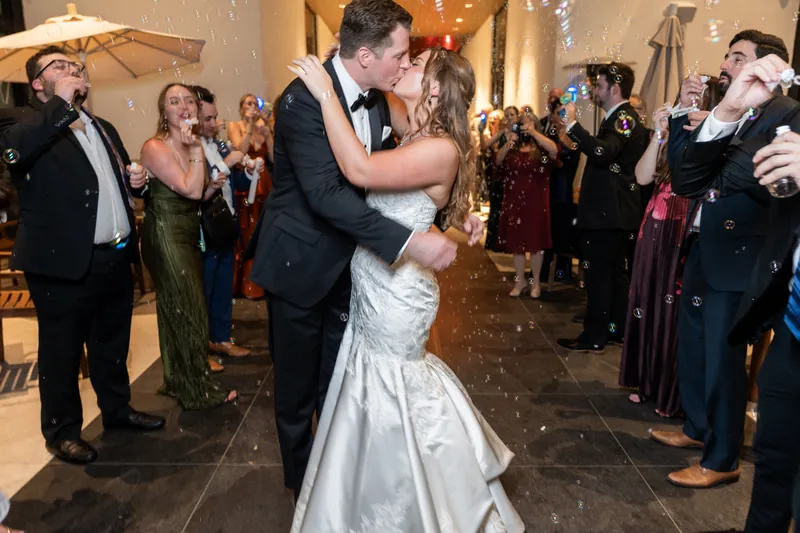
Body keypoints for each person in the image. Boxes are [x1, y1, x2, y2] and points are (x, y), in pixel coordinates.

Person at [244, 0, 483, 500]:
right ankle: (303, 492)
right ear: (369, 54)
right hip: (300, 264)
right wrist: (410, 240)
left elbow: (412, 168)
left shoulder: (378, 97)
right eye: (402, 54)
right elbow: (330, 193)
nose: (405, 62)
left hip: (355, 272)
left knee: (341, 386)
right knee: (295, 389)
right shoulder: (303, 101)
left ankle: (339, 483)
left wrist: (454, 210)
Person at [288, 40, 524, 530]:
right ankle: (365, 495)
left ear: (435, 90)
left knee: (395, 388)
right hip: (374, 284)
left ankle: (421, 499)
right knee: (368, 390)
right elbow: (375, 93)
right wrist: (354, 61)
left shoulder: (438, 148)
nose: (406, 65)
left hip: (399, 295)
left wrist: (325, 92)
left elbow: (361, 169)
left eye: (416, 64)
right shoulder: (414, 129)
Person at [0, 46, 165, 465]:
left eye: (75, 65)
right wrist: (60, 105)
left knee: (112, 342)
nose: (73, 69)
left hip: (114, 255)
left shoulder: (102, 125)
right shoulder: (21, 121)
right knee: (62, 350)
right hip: (60, 262)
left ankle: (117, 409)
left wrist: (137, 183)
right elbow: (13, 154)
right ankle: (62, 431)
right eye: (59, 66)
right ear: (38, 83)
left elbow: (115, 184)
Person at [651, 30, 799, 490]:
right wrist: (685, 117)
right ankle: (697, 428)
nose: (727, 65)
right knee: (693, 348)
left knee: (724, 359)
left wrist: (715, 128)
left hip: (743, 256)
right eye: (728, 56)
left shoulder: (786, 112)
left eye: (739, 58)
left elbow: (737, 174)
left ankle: (722, 457)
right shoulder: (721, 109)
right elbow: (683, 174)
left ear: (770, 68)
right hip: (704, 245)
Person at [618, 81, 718, 418]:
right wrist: (660, 134)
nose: (688, 101)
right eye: (684, 96)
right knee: (646, 300)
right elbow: (643, 177)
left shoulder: (711, 136)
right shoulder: (670, 133)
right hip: (655, 225)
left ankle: (672, 392)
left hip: (685, 225)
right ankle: (646, 381)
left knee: (675, 310)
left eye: (696, 96)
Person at [139, 83, 239, 409]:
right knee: (191, 307)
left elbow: (199, 195)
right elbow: (190, 190)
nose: (183, 104)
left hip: (189, 231)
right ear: (164, 112)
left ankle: (178, 379)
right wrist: (195, 147)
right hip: (165, 234)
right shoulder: (156, 147)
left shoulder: (196, 144)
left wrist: (214, 185)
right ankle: (197, 389)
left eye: (188, 100)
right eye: (173, 100)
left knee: (177, 308)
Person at [556, 63, 649, 353]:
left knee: (599, 277)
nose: (595, 90)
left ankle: (594, 336)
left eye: (599, 85)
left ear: (615, 88)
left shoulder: (624, 117)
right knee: (613, 276)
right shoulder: (619, 117)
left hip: (609, 214)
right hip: (614, 214)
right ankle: (614, 330)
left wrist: (572, 125)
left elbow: (602, 151)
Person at [191, 85, 254, 367]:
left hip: (225, 224)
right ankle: (198, 349)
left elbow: (234, 183)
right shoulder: (189, 149)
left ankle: (220, 338)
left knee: (223, 288)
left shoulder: (217, 145)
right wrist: (227, 164)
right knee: (202, 291)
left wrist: (250, 173)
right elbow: (198, 187)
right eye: (207, 119)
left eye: (215, 117)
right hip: (203, 227)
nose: (214, 124)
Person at [496, 108, 558, 298]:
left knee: (536, 243)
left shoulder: (541, 147)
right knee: (517, 242)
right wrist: (508, 142)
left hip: (537, 200)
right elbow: (498, 161)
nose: (524, 126)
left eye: (528, 122)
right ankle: (519, 280)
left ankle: (536, 281)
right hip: (515, 199)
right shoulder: (513, 147)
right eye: (522, 122)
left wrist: (534, 133)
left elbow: (555, 150)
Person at [228, 93, 273, 299]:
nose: (252, 107)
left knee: (264, 231)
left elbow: (273, 157)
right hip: (246, 181)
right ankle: (245, 285)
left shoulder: (263, 126)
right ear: (240, 108)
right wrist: (248, 126)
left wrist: (268, 133)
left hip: (264, 182)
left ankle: (263, 283)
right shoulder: (235, 125)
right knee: (247, 231)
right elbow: (241, 152)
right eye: (248, 103)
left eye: (255, 103)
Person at [541, 89, 580, 283]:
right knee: (546, 231)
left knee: (560, 232)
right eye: (559, 114)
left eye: (565, 114)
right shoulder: (550, 135)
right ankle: (544, 270)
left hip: (562, 191)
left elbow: (567, 158)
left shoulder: (573, 137)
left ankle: (561, 272)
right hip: (547, 188)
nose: (561, 117)